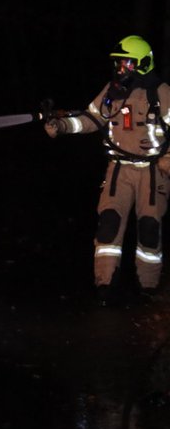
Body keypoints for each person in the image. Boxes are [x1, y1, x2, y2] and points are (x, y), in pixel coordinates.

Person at [45, 35, 170, 304]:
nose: (121, 69)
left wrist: (168, 159)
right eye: (118, 63)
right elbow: (92, 118)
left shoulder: (161, 93)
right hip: (118, 171)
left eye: (127, 63)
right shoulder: (112, 91)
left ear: (143, 64)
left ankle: (148, 284)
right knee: (109, 223)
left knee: (149, 227)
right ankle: (104, 283)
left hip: (152, 171)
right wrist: (63, 126)